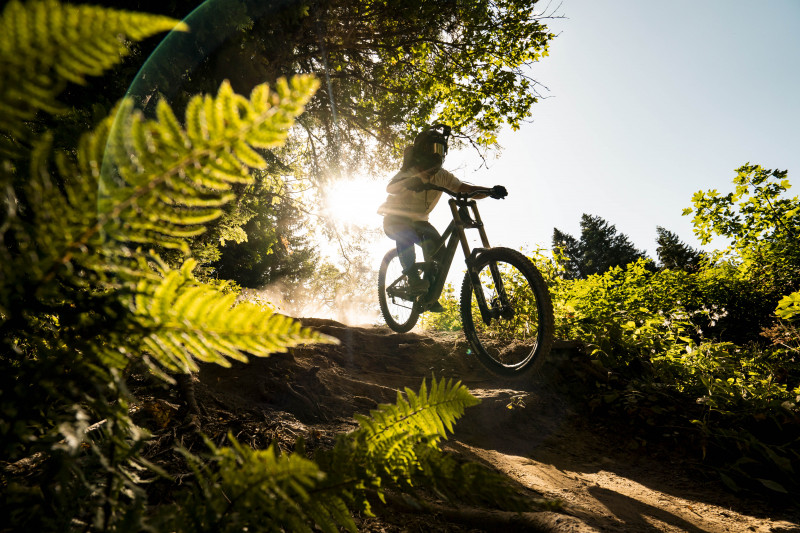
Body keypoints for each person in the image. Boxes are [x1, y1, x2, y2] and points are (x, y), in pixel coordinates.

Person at [377, 124, 507, 312]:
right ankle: (413, 278)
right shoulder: (409, 171)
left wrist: (489, 191)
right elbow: (391, 188)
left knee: (440, 253)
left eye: (441, 149)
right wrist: (410, 182)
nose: (437, 154)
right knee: (405, 235)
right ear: (422, 151)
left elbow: (466, 189)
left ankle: (429, 291)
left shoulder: (442, 176)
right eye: (432, 149)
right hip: (395, 220)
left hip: (421, 223)